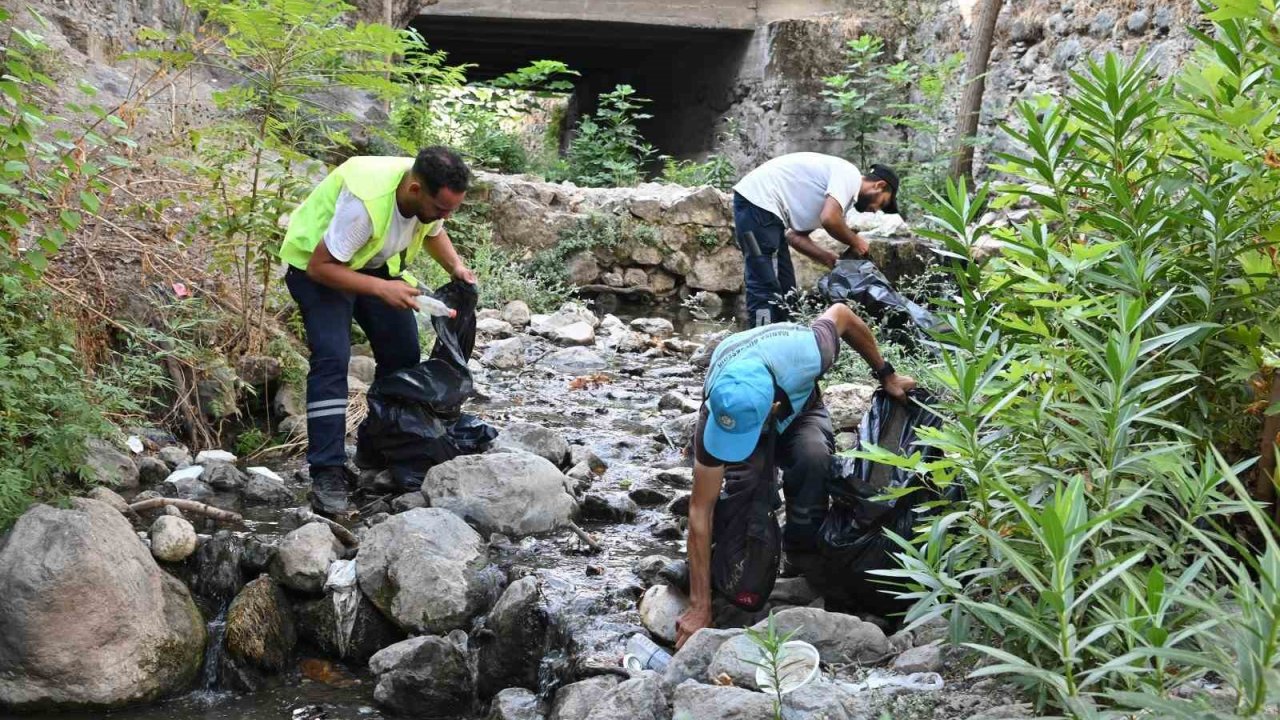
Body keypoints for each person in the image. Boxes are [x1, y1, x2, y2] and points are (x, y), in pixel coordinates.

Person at [673, 302, 916, 648]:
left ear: (771, 408)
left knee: (813, 458)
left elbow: (842, 314)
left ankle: (802, 554)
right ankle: (718, 563)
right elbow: (699, 510)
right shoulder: (719, 412)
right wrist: (700, 606)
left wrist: (887, 375)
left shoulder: (809, 351)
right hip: (747, 404)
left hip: (801, 410)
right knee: (746, 489)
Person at [278, 146, 476, 517]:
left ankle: (376, 447)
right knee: (332, 360)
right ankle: (327, 472)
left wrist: (457, 268)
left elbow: (432, 230)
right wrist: (384, 290)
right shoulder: (364, 205)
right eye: (441, 208)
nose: (445, 217)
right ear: (415, 190)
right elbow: (322, 268)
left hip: (371, 266)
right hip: (317, 269)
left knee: (402, 355)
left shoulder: (428, 190)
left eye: (452, 210)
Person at [732, 153, 902, 327]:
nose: (875, 211)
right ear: (879, 185)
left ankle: (784, 339)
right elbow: (830, 219)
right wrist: (856, 241)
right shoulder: (849, 174)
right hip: (755, 206)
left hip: (772, 217)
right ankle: (760, 339)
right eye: (881, 203)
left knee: (787, 289)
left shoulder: (837, 199)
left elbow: (794, 236)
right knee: (763, 283)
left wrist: (828, 259)